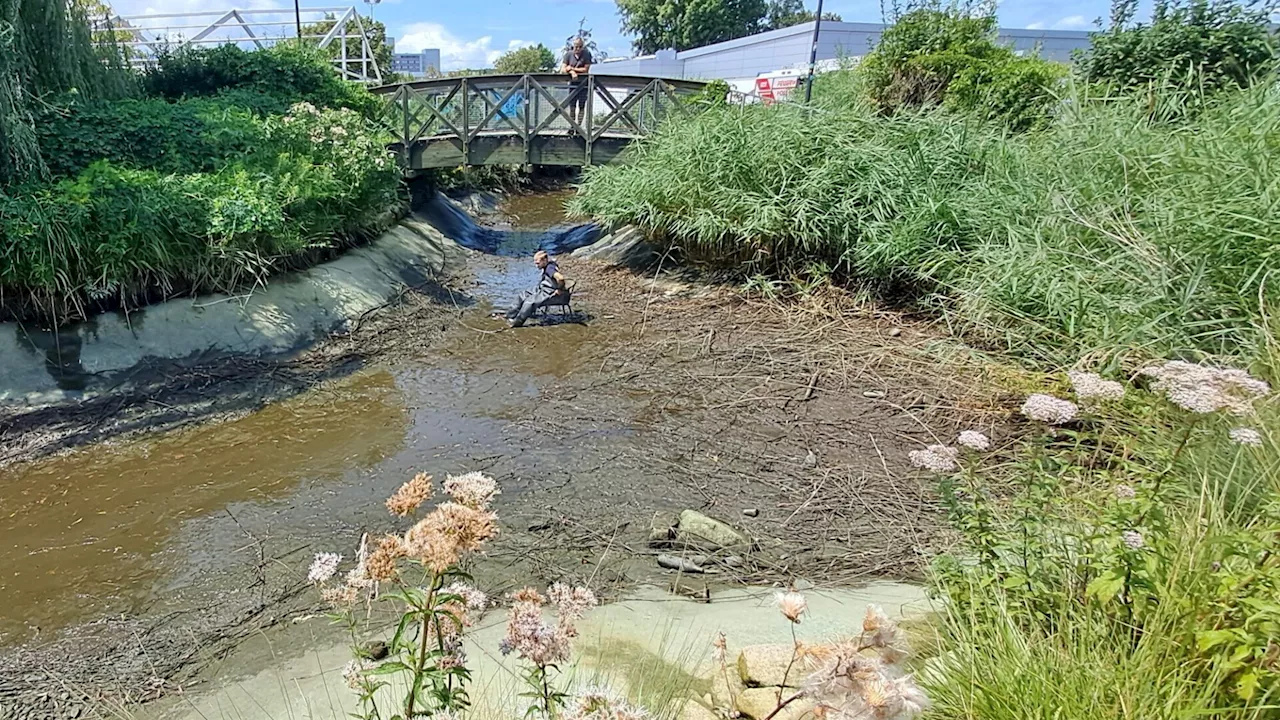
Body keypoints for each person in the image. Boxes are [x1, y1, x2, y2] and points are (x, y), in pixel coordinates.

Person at [496, 250, 567, 327]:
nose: (536, 266)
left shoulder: (550, 268)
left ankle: (517, 322)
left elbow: (560, 278)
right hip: (542, 288)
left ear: (544, 260)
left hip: (550, 293)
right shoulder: (548, 265)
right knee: (522, 295)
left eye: (538, 263)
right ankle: (510, 315)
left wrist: (559, 289)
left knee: (529, 302)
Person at [561, 36, 594, 130]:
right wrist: (571, 72)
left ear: (582, 47)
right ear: (573, 46)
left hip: (584, 85)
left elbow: (586, 69)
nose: (578, 49)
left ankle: (578, 127)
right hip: (572, 85)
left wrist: (572, 69)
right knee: (572, 107)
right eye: (576, 46)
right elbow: (563, 69)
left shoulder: (586, 54)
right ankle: (572, 127)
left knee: (582, 106)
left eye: (580, 47)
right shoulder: (568, 55)